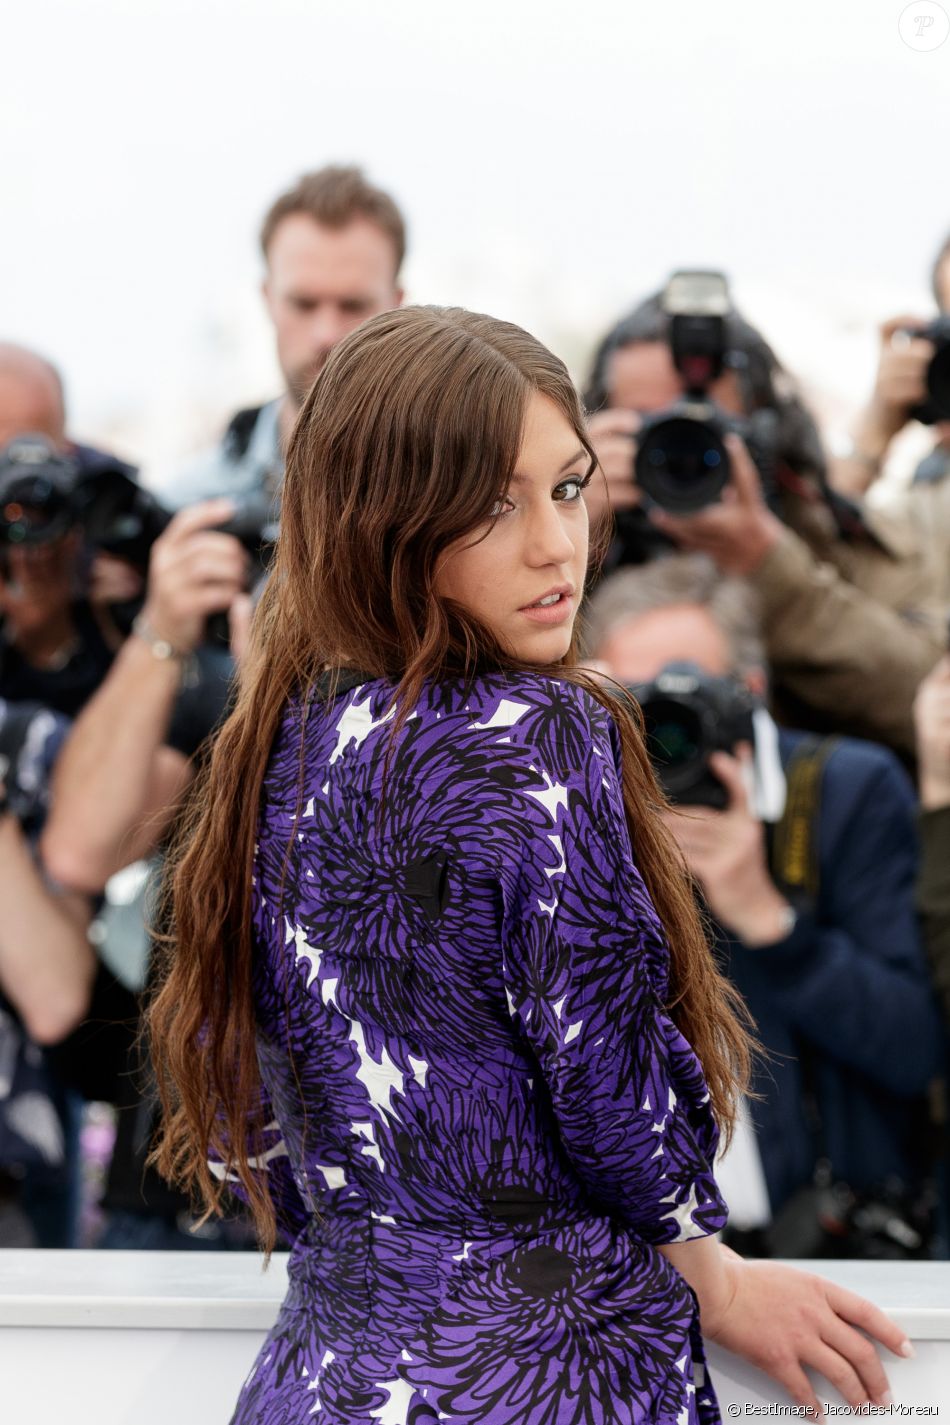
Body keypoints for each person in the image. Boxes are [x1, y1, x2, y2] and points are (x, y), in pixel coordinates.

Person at [149, 306, 910, 1423]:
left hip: (323, 1375)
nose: (556, 543)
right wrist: (716, 1276)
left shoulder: (286, 731)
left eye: (566, 487)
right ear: (382, 520)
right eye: (491, 505)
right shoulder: (536, 730)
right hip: (535, 1374)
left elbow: (247, 1115)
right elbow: (610, 1083)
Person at [584, 554, 944, 1254]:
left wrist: (768, 920)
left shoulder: (843, 792)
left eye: (688, 695)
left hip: (831, 1250)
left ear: (750, 691)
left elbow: (916, 1050)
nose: (665, 729)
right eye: (636, 703)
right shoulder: (578, 805)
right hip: (654, 1259)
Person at [582, 287, 945, 759]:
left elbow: (925, 705)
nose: (679, 451)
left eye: (705, 425)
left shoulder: (836, 540)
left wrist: (769, 566)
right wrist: (569, 520)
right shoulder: (568, 539)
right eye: (648, 427)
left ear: (766, 431)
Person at [157, 165, 406, 511]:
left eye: (353, 305)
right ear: (268, 299)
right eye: (303, 304)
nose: (326, 335)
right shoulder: (186, 506)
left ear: (396, 307)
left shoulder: (458, 496)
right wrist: (159, 567)